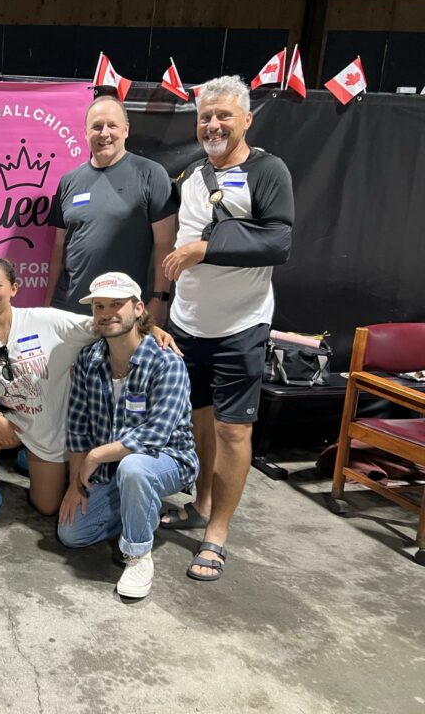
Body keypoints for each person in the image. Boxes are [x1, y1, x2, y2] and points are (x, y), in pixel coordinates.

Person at [161, 74, 294, 581]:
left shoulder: (268, 170)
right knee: (198, 422)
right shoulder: (191, 177)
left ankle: (216, 532)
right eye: (205, 117)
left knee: (233, 430)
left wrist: (205, 250)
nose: (213, 124)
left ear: (246, 120)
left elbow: (279, 242)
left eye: (223, 116)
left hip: (241, 325)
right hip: (189, 323)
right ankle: (200, 503)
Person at [56, 273, 198, 599]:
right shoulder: (89, 360)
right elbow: (78, 428)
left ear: (137, 309)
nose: (107, 312)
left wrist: (94, 457)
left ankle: (138, 555)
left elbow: (155, 435)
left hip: (169, 459)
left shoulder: (165, 362)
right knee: (71, 535)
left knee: (134, 468)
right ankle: (141, 508)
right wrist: (75, 485)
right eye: (100, 306)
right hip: (113, 469)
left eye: (117, 304)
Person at [0, 258, 97, 528]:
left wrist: (149, 327)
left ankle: (32, 457)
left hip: (50, 427)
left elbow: (104, 325)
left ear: (14, 288)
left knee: (46, 508)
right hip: (13, 420)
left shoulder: (47, 320)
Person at [44, 95, 176, 328]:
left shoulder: (152, 175)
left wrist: (160, 299)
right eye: (96, 126)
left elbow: (165, 244)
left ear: (126, 130)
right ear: (85, 133)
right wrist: (48, 303)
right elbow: (58, 248)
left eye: (112, 125)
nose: (104, 133)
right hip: (71, 312)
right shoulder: (68, 182)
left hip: (126, 314)